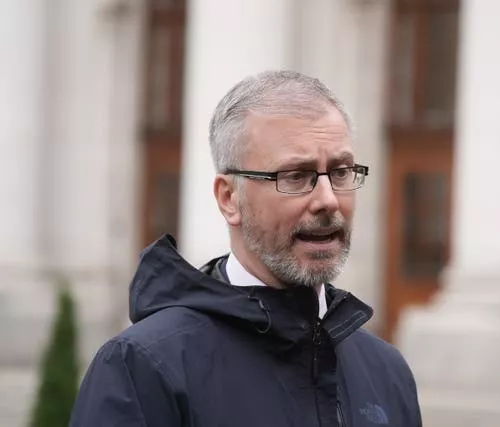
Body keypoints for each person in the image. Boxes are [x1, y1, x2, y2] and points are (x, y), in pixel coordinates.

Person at [69, 70, 422, 426]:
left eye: (342, 171)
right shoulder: (144, 367)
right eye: (295, 176)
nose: (328, 200)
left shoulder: (386, 373)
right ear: (229, 198)